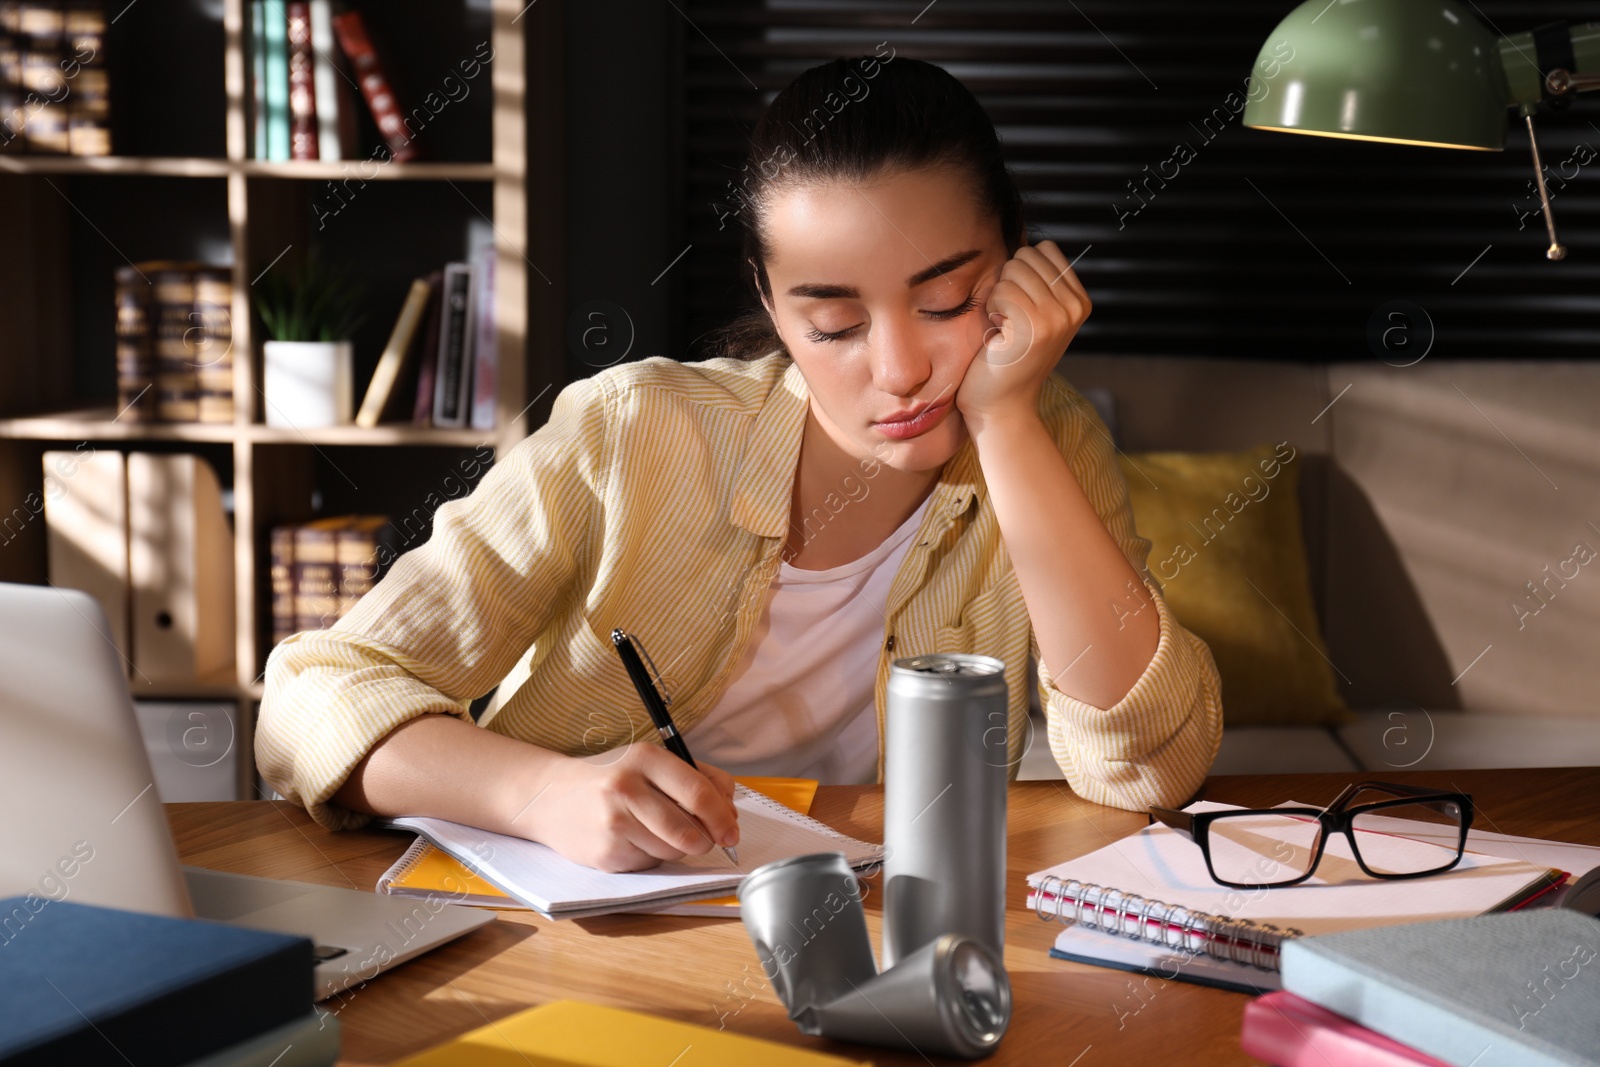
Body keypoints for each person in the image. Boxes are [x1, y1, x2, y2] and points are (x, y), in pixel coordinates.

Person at [256, 54, 1223, 874]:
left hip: (869, 941)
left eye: (946, 301)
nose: (899, 370)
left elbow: (1147, 767)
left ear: (1013, 263)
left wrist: (1007, 422)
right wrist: (543, 791)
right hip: (576, 954)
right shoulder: (630, 434)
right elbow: (309, 697)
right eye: (834, 323)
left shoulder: (1042, 439)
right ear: (770, 298)